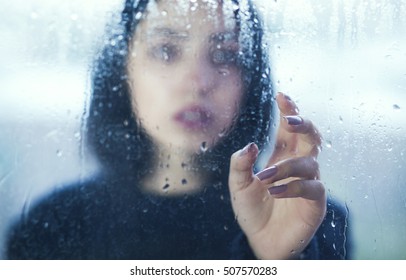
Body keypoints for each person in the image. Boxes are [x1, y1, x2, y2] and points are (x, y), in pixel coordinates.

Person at [6, 0, 351, 259]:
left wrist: (274, 262)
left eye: (224, 56)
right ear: (122, 72)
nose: (197, 82)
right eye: (166, 50)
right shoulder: (54, 225)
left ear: (251, 77)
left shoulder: (311, 221)